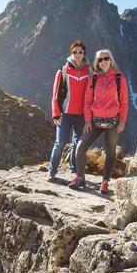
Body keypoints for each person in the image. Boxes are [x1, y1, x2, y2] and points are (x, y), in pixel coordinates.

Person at [68, 49, 128, 193]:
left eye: (105, 58)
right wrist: (88, 121)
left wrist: (122, 121)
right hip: (95, 121)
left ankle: (105, 182)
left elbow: (124, 102)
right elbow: (87, 101)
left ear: (111, 60)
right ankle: (80, 178)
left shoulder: (119, 79)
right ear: (97, 62)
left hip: (112, 122)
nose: (103, 62)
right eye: (100, 60)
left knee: (111, 152)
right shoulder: (93, 79)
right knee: (80, 148)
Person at [47, 40, 91, 181]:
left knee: (77, 144)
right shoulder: (63, 71)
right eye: (75, 52)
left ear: (84, 54)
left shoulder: (90, 71)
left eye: (80, 52)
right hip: (65, 115)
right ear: (71, 54)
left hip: (82, 116)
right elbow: (55, 95)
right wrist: (56, 114)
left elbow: (93, 95)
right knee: (60, 143)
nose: (77, 55)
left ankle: (74, 170)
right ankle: (52, 171)